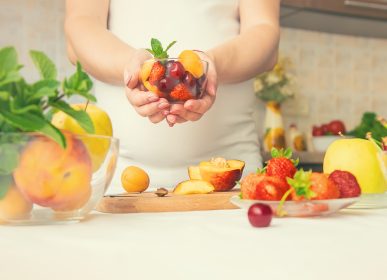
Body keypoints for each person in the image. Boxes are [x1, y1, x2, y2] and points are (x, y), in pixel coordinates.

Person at [64, 0, 280, 192]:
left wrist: (214, 64)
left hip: (234, 181)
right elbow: (80, 25)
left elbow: (265, 31)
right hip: (119, 183)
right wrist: (130, 66)